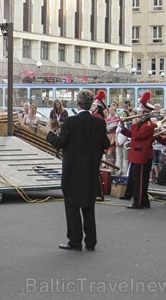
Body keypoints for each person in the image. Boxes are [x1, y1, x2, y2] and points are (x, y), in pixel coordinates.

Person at [46, 90, 109, 252]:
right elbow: (106, 144)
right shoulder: (99, 123)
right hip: (90, 170)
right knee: (89, 206)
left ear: (78, 104)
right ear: (90, 104)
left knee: (72, 206)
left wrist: (49, 134)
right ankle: (91, 241)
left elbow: (60, 142)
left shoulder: (70, 122)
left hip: (72, 170)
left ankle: (75, 241)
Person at [119, 92, 156, 210]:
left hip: (142, 155)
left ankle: (138, 202)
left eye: (139, 112)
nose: (136, 114)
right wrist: (123, 128)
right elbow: (132, 135)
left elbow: (137, 136)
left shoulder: (149, 125)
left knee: (139, 181)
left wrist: (133, 124)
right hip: (136, 154)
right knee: (137, 179)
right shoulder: (141, 123)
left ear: (145, 113)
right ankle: (144, 201)